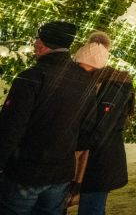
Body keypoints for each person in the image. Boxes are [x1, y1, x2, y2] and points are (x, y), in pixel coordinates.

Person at [0, 21, 95, 215]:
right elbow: (87, 129)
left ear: (43, 44)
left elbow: (11, 128)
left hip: (25, 172)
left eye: (37, 39)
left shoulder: (31, 77)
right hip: (61, 173)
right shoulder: (85, 80)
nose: (34, 43)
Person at [72, 37, 134, 215]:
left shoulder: (106, 86)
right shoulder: (112, 83)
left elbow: (100, 127)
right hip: (102, 158)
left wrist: (77, 143)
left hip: (96, 160)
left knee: (92, 206)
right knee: (93, 205)